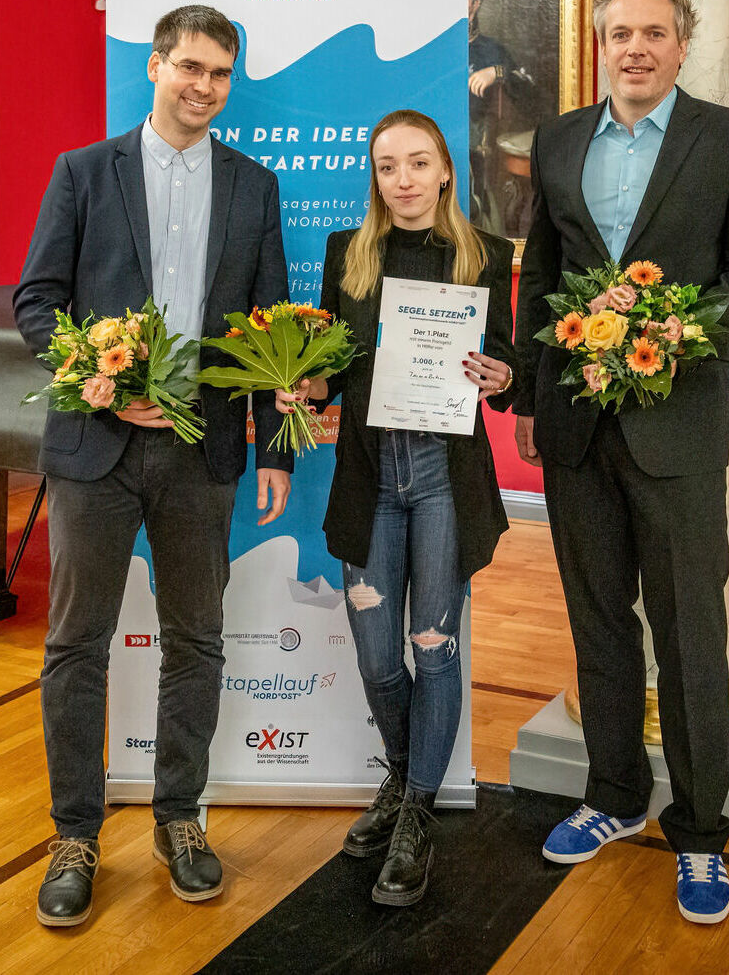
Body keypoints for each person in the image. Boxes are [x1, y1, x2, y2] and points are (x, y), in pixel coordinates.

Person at [511, 0, 729, 924]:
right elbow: (540, 275)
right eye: (619, 34)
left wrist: (689, 327)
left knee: (688, 631)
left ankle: (702, 831)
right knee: (597, 620)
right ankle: (615, 798)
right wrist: (527, 399)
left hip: (678, 422)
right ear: (601, 46)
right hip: (578, 426)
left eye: (653, 33)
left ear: (682, 43)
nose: (635, 48)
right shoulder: (556, 141)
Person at [14, 4, 293, 927]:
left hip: (203, 452)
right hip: (98, 450)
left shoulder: (255, 186)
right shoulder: (84, 173)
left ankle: (180, 817)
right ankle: (74, 835)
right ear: (154, 65)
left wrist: (278, 444)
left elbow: (273, 331)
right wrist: (95, 378)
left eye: (220, 73)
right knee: (75, 647)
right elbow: (36, 301)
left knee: (198, 643)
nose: (203, 86)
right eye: (189, 67)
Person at [280, 108, 516, 908]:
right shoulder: (348, 255)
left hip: (446, 478)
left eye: (420, 163)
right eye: (388, 166)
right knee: (380, 658)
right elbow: (328, 375)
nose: (405, 179)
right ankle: (405, 780)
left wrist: (500, 375)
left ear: (446, 170)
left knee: (434, 648)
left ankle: (416, 810)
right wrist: (302, 385)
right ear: (375, 177)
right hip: (370, 476)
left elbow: (507, 360)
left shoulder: (485, 254)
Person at [468, 0, 547, 237]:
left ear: (476, 4)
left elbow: (531, 90)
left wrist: (497, 71)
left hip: (481, 147)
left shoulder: (491, 50)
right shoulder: (433, 47)